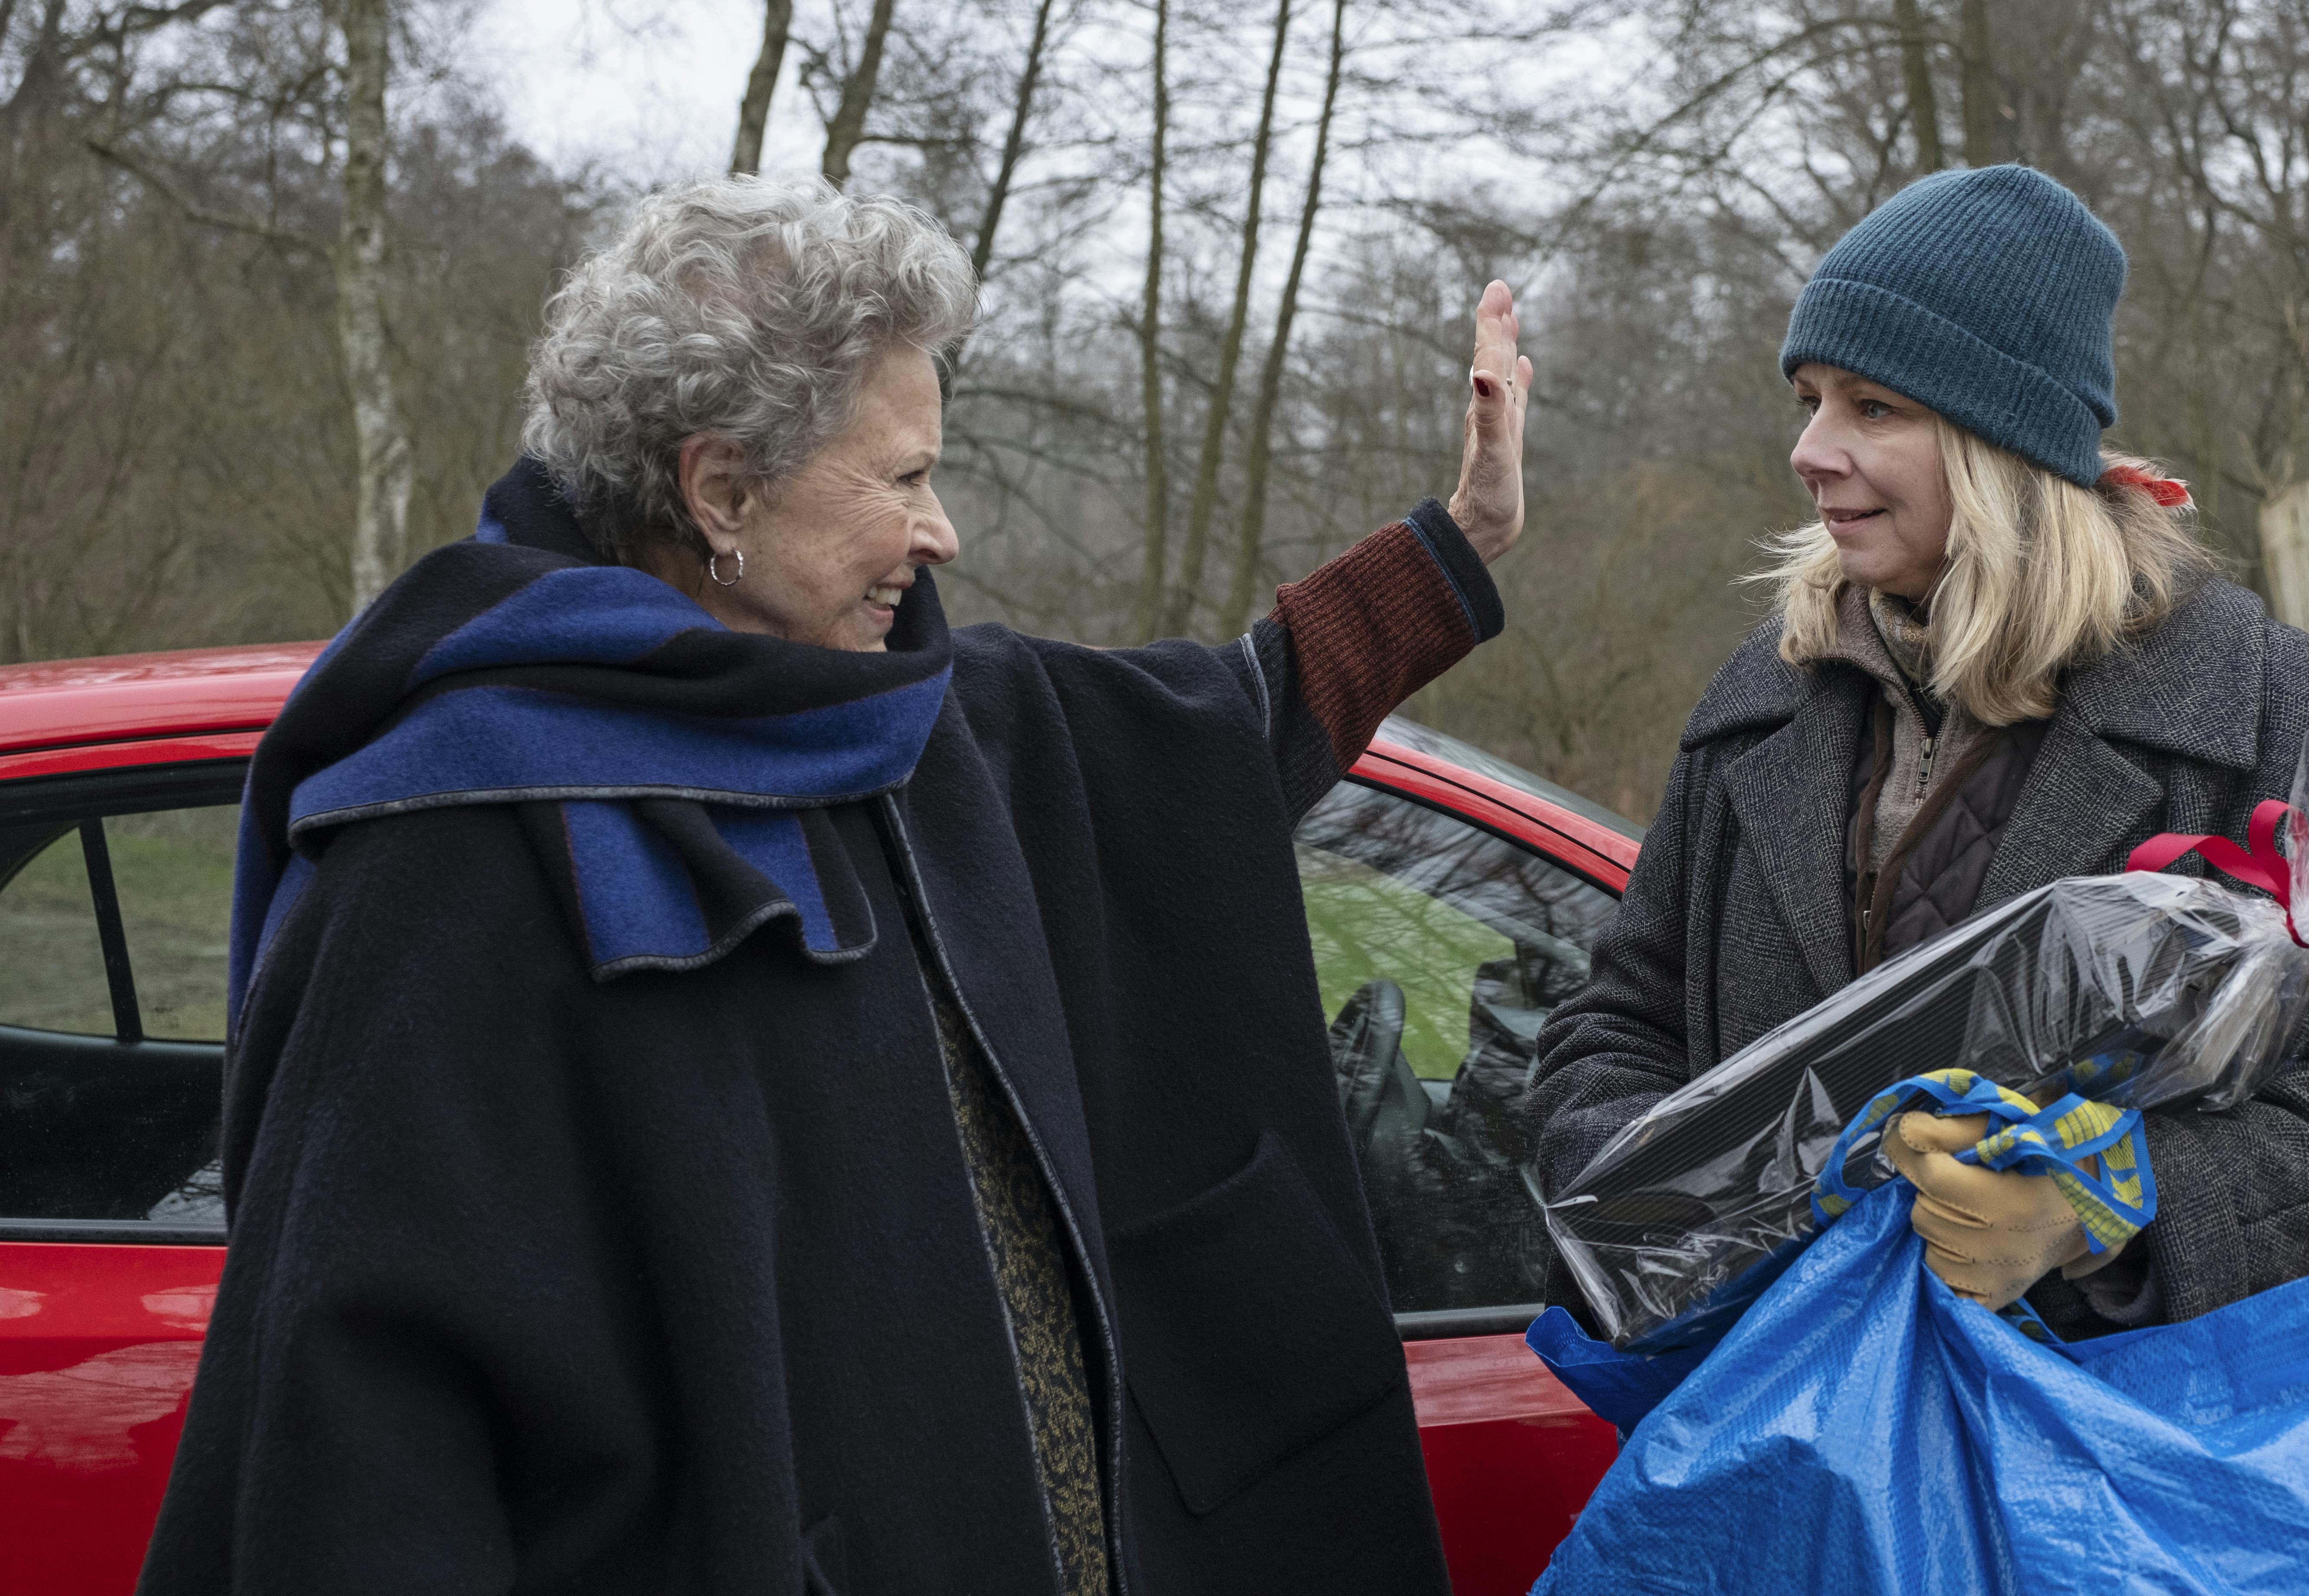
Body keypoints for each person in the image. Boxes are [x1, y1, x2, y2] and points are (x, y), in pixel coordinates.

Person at [137, 177, 1535, 1596]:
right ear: (723, 490)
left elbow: (1222, 728)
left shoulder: (914, 722)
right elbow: (356, 1451)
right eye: (905, 479)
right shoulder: (455, 850)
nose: (943, 536)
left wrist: (1458, 546)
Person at [1527, 166, 2309, 1341]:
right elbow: (1616, 1032)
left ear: (2002, 445)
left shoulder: (2251, 699)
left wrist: (2104, 1205)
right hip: (1781, 1419)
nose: (1810, 448)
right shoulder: (1764, 697)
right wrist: (1700, 1204)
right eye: (1810, 398)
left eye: (1871, 408)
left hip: (2104, 1456)